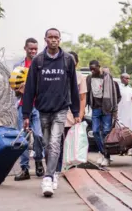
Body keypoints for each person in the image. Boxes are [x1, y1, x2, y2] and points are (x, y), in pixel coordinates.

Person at [22, 27, 81, 197]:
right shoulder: (38, 61)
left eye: (56, 37)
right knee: (48, 145)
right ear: (45, 39)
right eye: (51, 37)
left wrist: (75, 111)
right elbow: (30, 89)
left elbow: (73, 88)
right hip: (43, 110)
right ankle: (54, 172)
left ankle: (48, 178)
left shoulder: (68, 60)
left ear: (60, 40)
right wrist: (26, 114)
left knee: (55, 143)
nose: (54, 40)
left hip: (61, 109)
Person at [12, 38, 44, 181]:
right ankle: (24, 169)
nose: (33, 51)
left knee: (38, 135)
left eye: (35, 49)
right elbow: (14, 89)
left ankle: (38, 161)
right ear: (25, 48)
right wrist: (21, 89)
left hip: (38, 106)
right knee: (24, 139)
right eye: (31, 49)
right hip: (22, 105)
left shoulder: (41, 64)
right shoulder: (18, 66)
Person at [56, 51, 87, 188]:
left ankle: (70, 167)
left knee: (71, 141)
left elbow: (82, 98)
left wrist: (80, 114)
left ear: (76, 63)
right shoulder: (59, 75)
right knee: (58, 141)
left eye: (72, 61)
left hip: (73, 114)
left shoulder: (81, 77)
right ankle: (58, 168)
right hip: (59, 112)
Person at [86, 60, 120, 167]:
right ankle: (103, 152)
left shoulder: (107, 77)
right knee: (95, 131)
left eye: (94, 68)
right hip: (95, 109)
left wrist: (115, 110)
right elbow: (87, 93)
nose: (92, 70)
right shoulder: (89, 78)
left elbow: (114, 94)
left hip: (107, 109)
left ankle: (106, 156)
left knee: (106, 132)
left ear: (99, 67)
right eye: (90, 69)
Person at [118, 73, 132, 139]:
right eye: (126, 78)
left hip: (130, 114)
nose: (128, 80)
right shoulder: (118, 89)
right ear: (121, 78)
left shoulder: (131, 90)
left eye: (129, 79)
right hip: (121, 113)